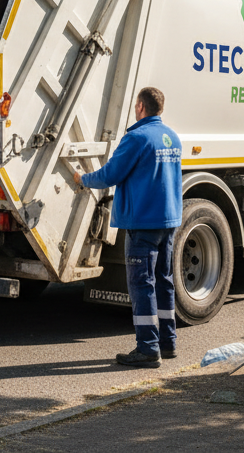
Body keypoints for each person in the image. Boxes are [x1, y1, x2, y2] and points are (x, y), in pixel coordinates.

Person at [73, 87, 183, 368]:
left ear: (140, 107)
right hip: (168, 221)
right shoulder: (172, 137)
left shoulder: (136, 137)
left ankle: (148, 349)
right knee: (164, 280)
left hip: (143, 223)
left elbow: (111, 175)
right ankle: (167, 343)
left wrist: (82, 179)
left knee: (141, 283)